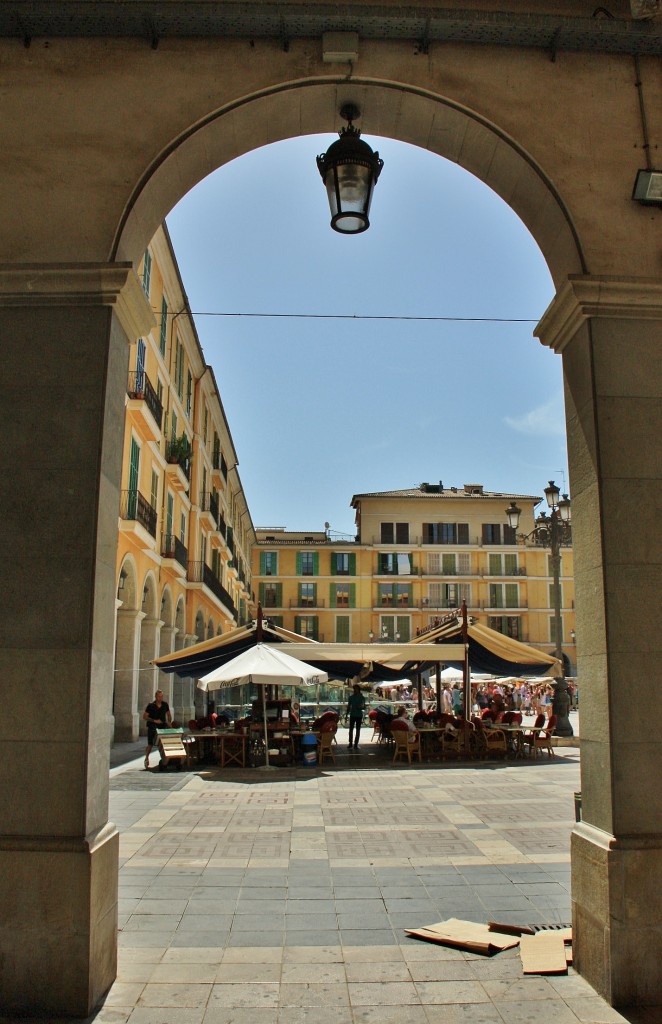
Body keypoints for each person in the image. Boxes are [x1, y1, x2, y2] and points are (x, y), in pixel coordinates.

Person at [143, 689, 172, 770]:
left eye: (161, 696)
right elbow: (145, 716)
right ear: (156, 697)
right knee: (150, 744)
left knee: (163, 743)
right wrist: (154, 720)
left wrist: (169, 722)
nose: (160, 698)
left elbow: (169, 714)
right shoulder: (151, 705)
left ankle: (165, 759)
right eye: (159, 696)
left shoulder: (165, 704)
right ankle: (146, 758)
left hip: (162, 727)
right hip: (152, 727)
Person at [346, 683, 366, 749]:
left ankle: (355, 744)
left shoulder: (360, 698)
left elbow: (363, 707)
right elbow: (349, 707)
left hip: (357, 715)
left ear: (358, 690)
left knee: (357, 730)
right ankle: (351, 743)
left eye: (356, 689)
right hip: (354, 715)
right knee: (352, 730)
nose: (355, 690)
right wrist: (346, 715)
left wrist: (361, 707)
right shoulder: (354, 697)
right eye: (354, 689)